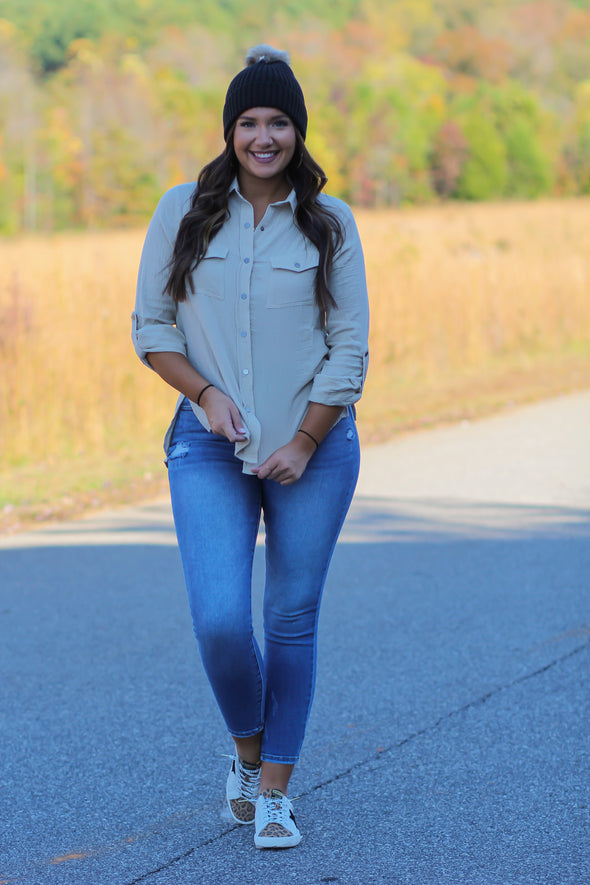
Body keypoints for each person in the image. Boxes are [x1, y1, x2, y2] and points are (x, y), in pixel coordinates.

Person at [132, 44, 369, 850]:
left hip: (317, 453)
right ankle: (246, 752)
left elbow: (350, 347)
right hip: (207, 448)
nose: (263, 137)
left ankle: (275, 792)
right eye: (248, 122)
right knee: (222, 620)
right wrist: (205, 395)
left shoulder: (330, 223)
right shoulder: (183, 209)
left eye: (278, 122)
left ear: (298, 131)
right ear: (229, 129)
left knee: (290, 618)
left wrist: (306, 439)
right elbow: (151, 329)